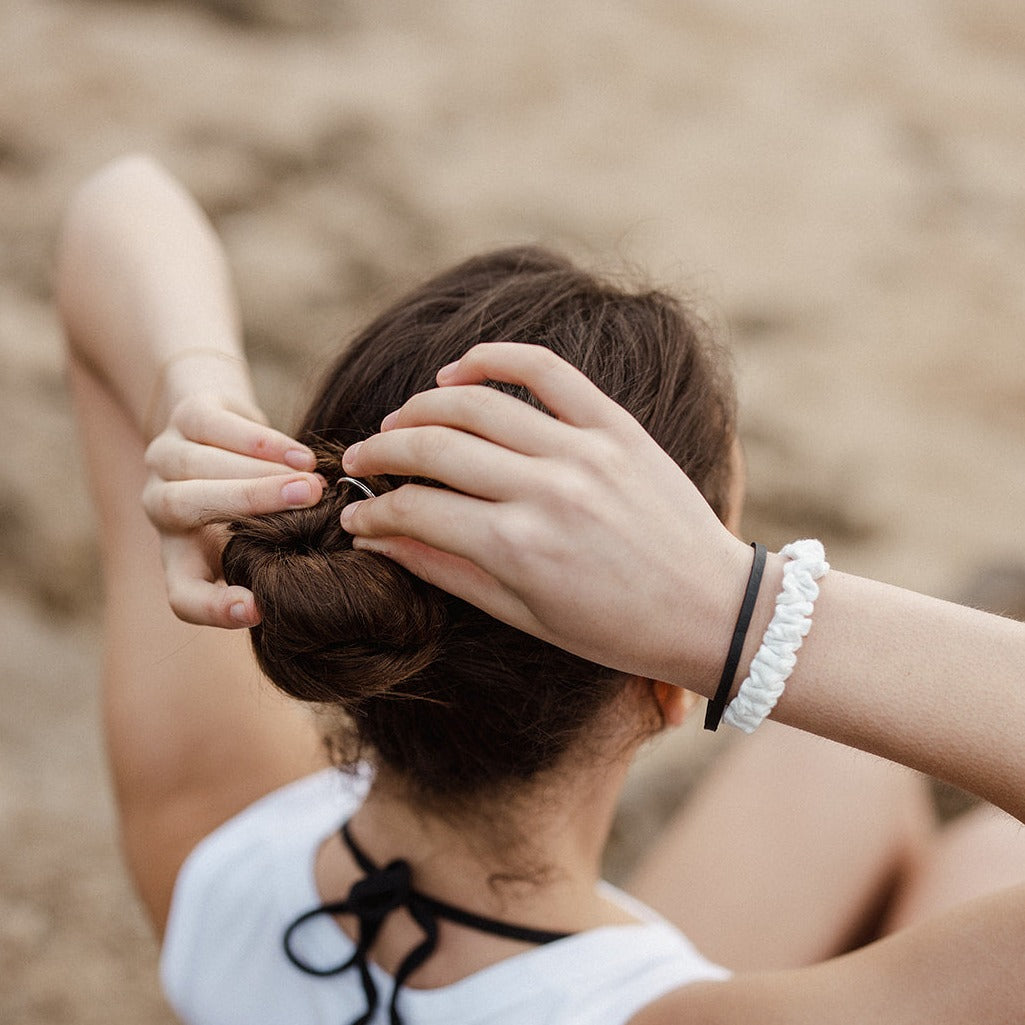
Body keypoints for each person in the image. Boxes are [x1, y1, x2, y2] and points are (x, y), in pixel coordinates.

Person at [58, 155, 1025, 1025]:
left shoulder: (216, 840)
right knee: (993, 858)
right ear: (668, 680)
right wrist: (737, 608)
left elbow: (117, 206)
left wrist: (195, 392)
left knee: (833, 767)